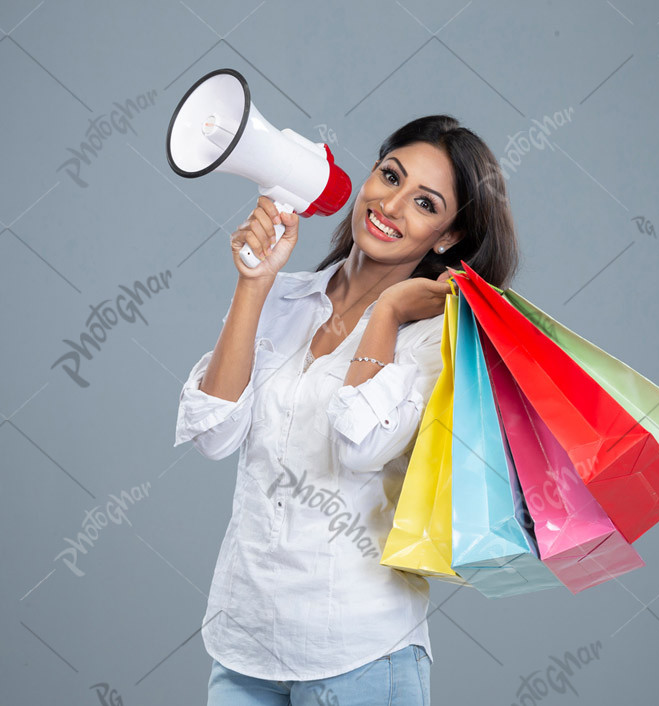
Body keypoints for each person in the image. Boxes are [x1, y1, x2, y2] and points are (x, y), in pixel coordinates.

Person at [174, 114, 520, 705]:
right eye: (390, 175)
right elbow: (213, 432)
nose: (392, 204)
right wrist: (254, 285)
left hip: (360, 653)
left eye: (425, 203)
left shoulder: (435, 340)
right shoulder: (286, 299)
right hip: (243, 642)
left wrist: (384, 315)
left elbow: (359, 448)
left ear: (447, 238)